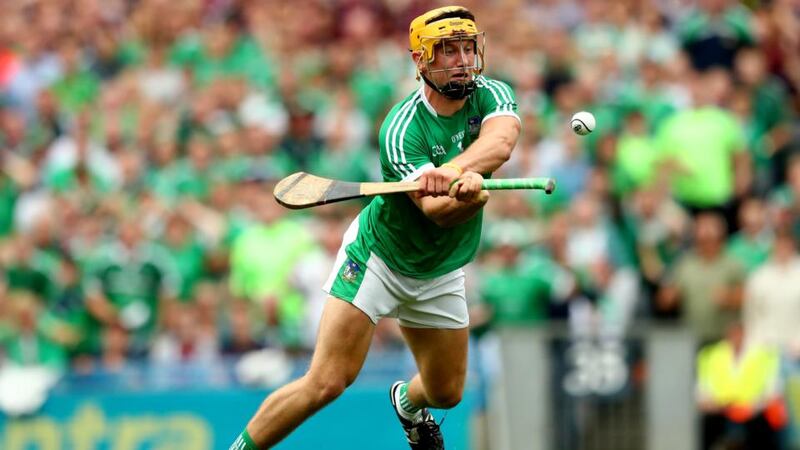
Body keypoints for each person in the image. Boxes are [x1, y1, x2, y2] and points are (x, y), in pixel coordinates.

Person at [228, 6, 520, 450]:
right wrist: (466, 193)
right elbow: (438, 212)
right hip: (379, 260)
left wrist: (455, 172)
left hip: (440, 269)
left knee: (447, 392)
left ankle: (407, 402)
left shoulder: (492, 93)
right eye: (447, 51)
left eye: (466, 47)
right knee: (326, 382)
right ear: (422, 62)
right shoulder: (400, 129)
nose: (461, 59)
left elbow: (500, 142)